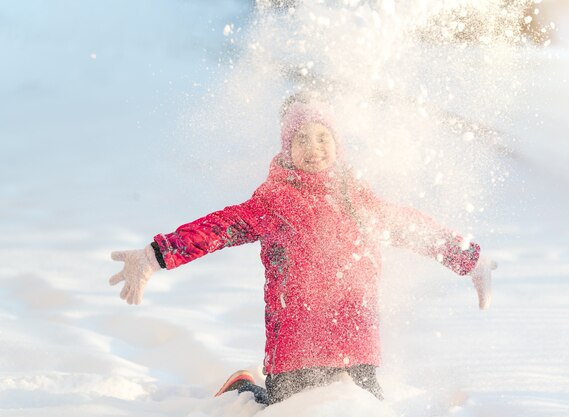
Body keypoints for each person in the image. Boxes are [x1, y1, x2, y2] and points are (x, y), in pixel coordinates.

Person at [109, 95, 496, 406]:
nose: (314, 148)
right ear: (287, 146)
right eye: (302, 139)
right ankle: (243, 389)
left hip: (356, 343)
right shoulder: (274, 199)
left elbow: (411, 226)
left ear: (336, 144)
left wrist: (469, 259)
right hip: (295, 347)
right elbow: (219, 227)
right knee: (280, 409)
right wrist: (155, 255)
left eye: (322, 137)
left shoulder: (357, 197)